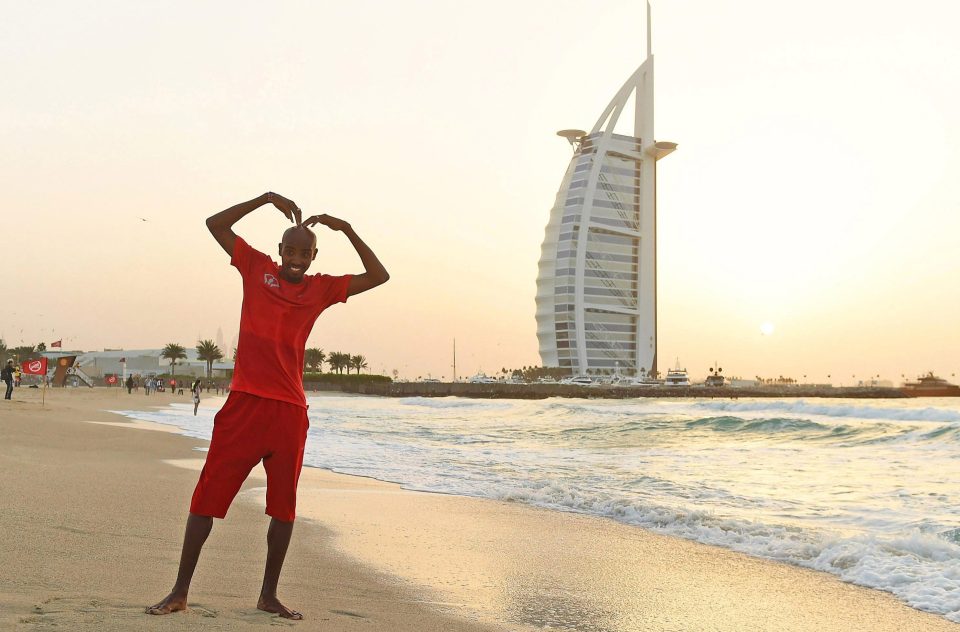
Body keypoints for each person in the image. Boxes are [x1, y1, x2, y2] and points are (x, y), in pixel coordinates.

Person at [146, 191, 389, 620]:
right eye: (290, 250)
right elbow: (215, 225)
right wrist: (264, 199)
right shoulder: (256, 268)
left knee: (284, 508)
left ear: (314, 257)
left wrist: (346, 229)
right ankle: (179, 591)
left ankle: (268, 595)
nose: (297, 258)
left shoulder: (321, 289)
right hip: (244, 406)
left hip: (290, 413)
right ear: (279, 252)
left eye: (305, 253)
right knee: (206, 500)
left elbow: (379, 275)